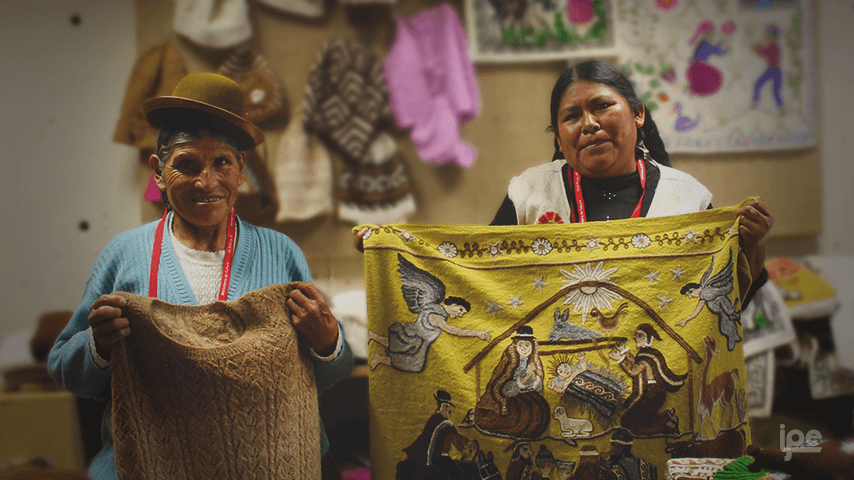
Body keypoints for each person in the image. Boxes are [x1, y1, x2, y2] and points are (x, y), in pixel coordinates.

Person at [47, 72, 353, 480]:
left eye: (221, 163)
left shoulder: (280, 254)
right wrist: (100, 347)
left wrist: (328, 341)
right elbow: (64, 366)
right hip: (154, 466)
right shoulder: (125, 256)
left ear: (241, 170)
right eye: (186, 165)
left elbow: (331, 374)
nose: (206, 182)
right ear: (158, 171)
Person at [489, 60, 771, 305]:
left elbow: (719, 306)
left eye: (601, 106)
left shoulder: (687, 198)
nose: (588, 123)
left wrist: (750, 248)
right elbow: (485, 286)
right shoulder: (528, 194)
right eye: (572, 116)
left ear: (638, 114)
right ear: (559, 141)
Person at [608, 324, 685, 436]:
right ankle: (666, 416)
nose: (635, 338)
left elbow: (634, 370)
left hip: (652, 394)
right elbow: (636, 362)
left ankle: (667, 427)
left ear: (649, 338)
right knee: (636, 418)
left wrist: (620, 359)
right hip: (653, 393)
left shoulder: (647, 357)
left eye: (640, 336)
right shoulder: (648, 354)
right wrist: (625, 352)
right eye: (636, 335)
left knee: (631, 423)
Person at [474, 326, 551, 438]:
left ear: (533, 346)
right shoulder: (510, 362)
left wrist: (533, 376)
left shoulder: (533, 361)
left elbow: (538, 387)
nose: (524, 349)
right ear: (515, 346)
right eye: (520, 345)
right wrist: (525, 378)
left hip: (528, 395)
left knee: (541, 410)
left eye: (527, 345)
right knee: (521, 418)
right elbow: (504, 390)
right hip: (511, 398)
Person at [398, 390, 477, 479]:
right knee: (458, 475)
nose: (449, 409)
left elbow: (454, 436)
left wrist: (467, 444)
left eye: (449, 407)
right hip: (438, 459)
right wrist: (463, 449)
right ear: (440, 406)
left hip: (441, 458)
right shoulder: (438, 421)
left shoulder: (443, 422)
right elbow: (453, 437)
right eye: (447, 406)